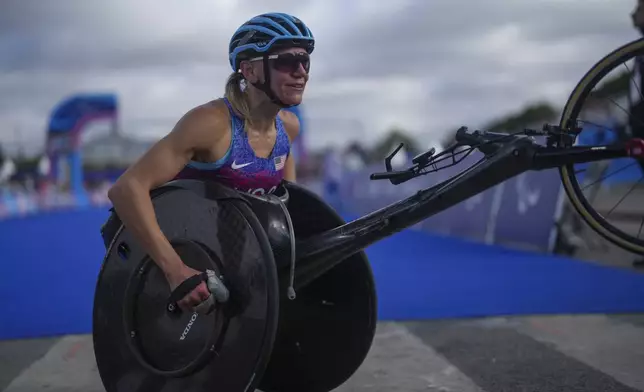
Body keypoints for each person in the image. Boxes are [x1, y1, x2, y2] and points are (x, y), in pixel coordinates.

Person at [107, 12, 315, 312]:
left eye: (304, 61)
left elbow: (286, 209)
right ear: (249, 70)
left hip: (239, 267)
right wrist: (175, 271)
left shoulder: (289, 127)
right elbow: (127, 189)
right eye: (286, 61)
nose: (301, 72)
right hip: (180, 267)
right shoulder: (211, 124)